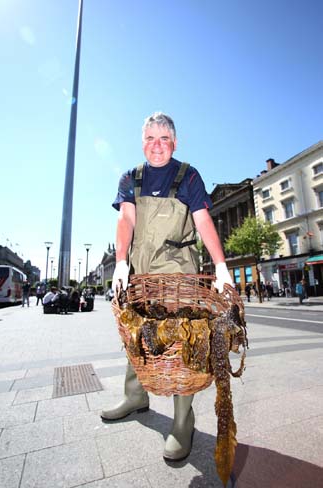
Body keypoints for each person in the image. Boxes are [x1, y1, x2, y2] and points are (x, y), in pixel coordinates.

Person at [100, 112, 233, 462]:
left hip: (178, 270)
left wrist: (220, 265)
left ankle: (182, 420)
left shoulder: (187, 175)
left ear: (175, 143)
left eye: (163, 139)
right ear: (142, 142)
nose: (156, 146)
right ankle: (135, 396)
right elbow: (126, 218)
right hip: (140, 270)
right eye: (150, 139)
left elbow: (203, 219)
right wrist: (121, 261)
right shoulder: (131, 177)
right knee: (136, 331)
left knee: (180, 338)